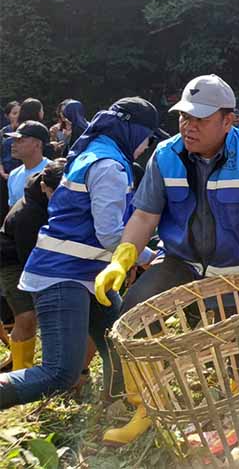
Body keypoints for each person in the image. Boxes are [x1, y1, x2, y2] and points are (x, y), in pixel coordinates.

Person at [94, 75, 239, 446]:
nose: (188, 126)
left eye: (200, 119)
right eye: (183, 117)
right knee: (134, 312)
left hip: (237, 268)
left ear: (228, 121)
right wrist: (123, 258)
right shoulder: (165, 155)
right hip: (182, 262)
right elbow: (145, 216)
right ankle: (144, 407)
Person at [0, 98, 163, 410]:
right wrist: (147, 257)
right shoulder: (110, 166)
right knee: (59, 372)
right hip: (64, 274)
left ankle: (117, 407)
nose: (146, 146)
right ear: (134, 131)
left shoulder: (94, 150)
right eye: (148, 138)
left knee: (119, 343)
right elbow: (110, 233)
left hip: (88, 274)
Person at [0, 159, 66, 371]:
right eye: (55, 192)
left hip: (41, 256)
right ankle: (19, 372)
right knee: (26, 317)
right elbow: (29, 257)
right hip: (14, 261)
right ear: (44, 187)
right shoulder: (27, 215)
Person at [5, 121, 51, 207]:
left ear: (37, 144)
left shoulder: (52, 172)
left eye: (20, 140)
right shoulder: (13, 175)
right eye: (14, 140)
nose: (13, 144)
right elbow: (12, 212)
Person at [1, 102, 22, 220]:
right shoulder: (3, 132)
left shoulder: (25, 131)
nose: (18, 116)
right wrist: (2, 172)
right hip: (4, 174)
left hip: (19, 173)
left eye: (20, 113)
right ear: (7, 115)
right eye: (14, 113)